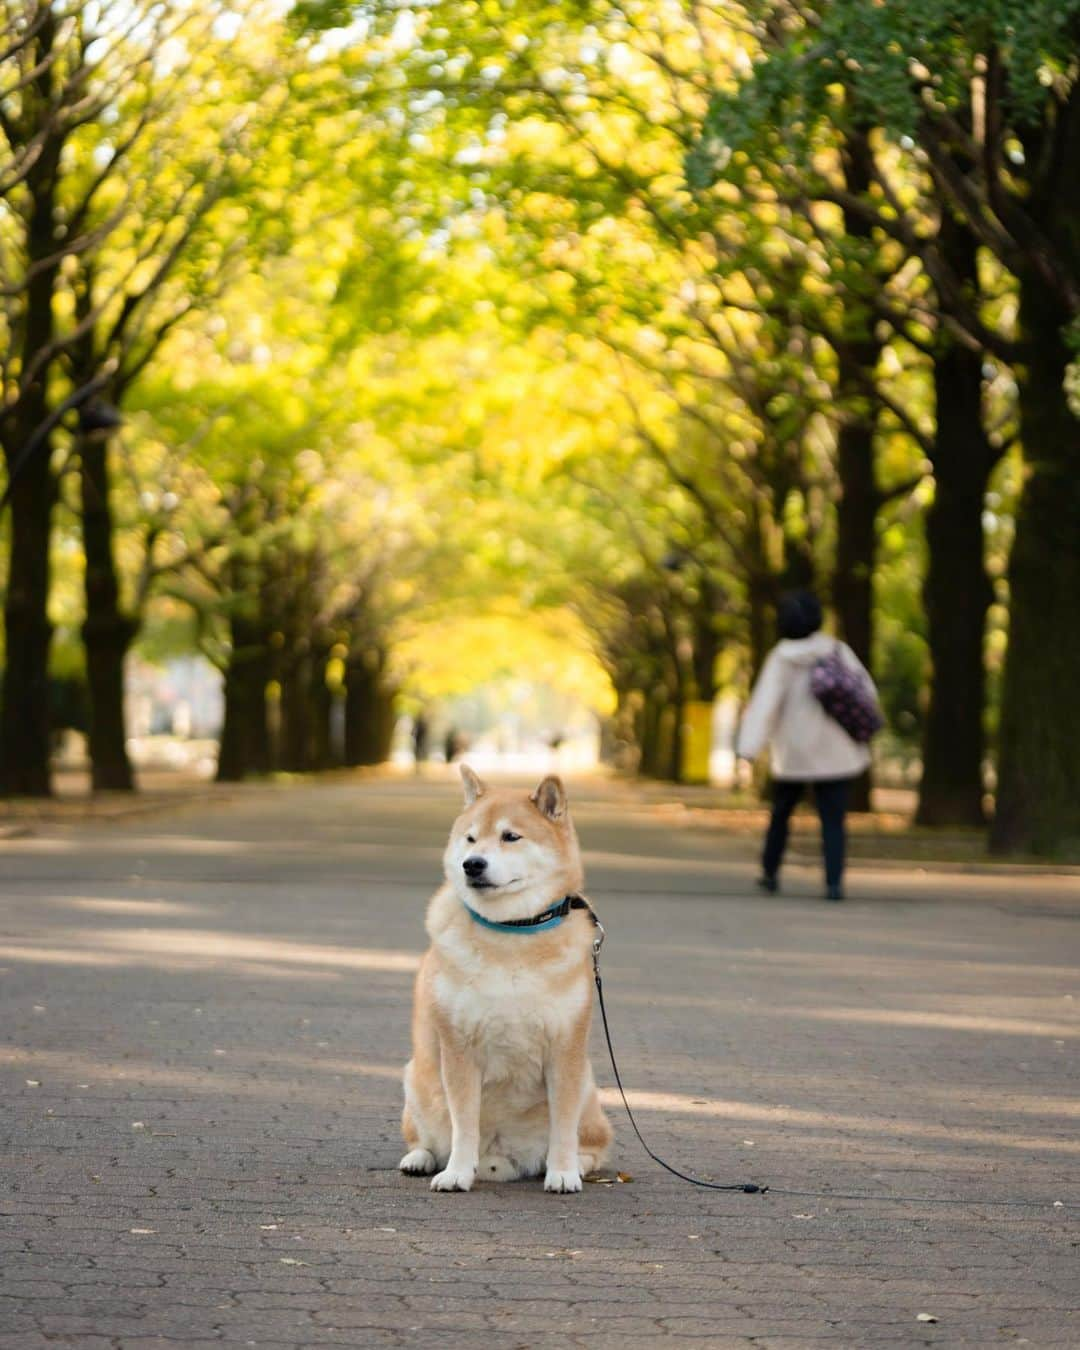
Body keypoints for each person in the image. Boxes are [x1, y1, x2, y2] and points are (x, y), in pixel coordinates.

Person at [735, 590, 877, 901]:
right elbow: (865, 690)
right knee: (833, 819)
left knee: (781, 814)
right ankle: (834, 883)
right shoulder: (836, 649)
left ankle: (770, 873)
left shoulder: (782, 657)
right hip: (837, 750)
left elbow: (765, 705)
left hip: (794, 751)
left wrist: (748, 748)